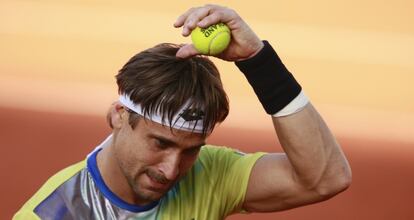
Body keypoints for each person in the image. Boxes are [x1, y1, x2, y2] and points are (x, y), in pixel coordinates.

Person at [14, 4, 352, 220]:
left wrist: (257, 60)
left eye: (191, 149)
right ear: (119, 116)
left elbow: (326, 178)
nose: (172, 169)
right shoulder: (54, 214)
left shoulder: (210, 174)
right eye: (160, 143)